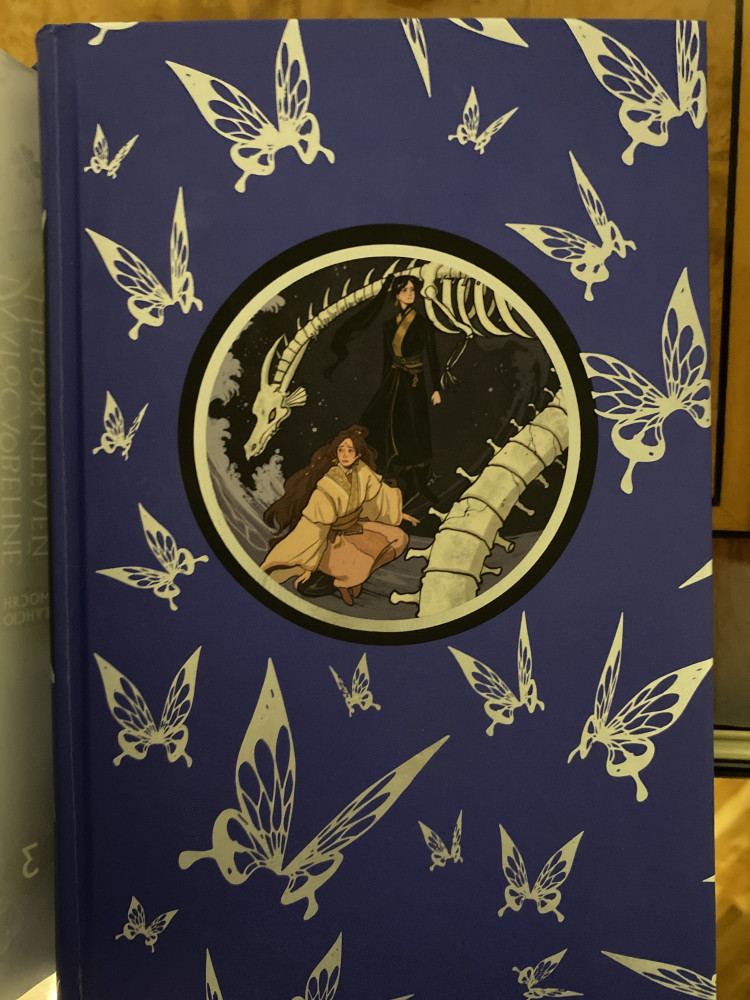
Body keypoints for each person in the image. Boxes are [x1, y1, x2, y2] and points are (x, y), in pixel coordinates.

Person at [261, 425, 418, 606]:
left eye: (350, 450)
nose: (345, 454)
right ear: (335, 453)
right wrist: (308, 567)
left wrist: (399, 515)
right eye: (341, 450)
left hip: (355, 527)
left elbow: (378, 497)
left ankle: (354, 579)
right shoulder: (327, 485)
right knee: (357, 567)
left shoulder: (363, 473)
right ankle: (341, 581)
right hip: (329, 539)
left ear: (358, 455)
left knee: (399, 538)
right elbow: (315, 528)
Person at [326, 275, 443, 504]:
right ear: (397, 294)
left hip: (415, 382)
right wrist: (384, 385)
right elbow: (387, 359)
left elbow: (432, 356)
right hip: (394, 380)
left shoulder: (423, 323)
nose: (410, 294)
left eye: (412, 290)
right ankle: (401, 480)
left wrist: (436, 388)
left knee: (417, 430)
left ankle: (421, 483)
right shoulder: (388, 325)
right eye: (405, 290)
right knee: (392, 428)